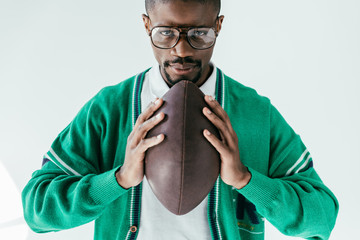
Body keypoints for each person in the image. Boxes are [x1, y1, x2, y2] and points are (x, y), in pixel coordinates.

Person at [22, 0, 339, 239]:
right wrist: (118, 180)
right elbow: (36, 209)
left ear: (219, 25)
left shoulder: (256, 113)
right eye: (166, 32)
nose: (182, 49)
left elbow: (323, 217)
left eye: (200, 33)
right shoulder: (110, 108)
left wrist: (246, 179)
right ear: (147, 25)